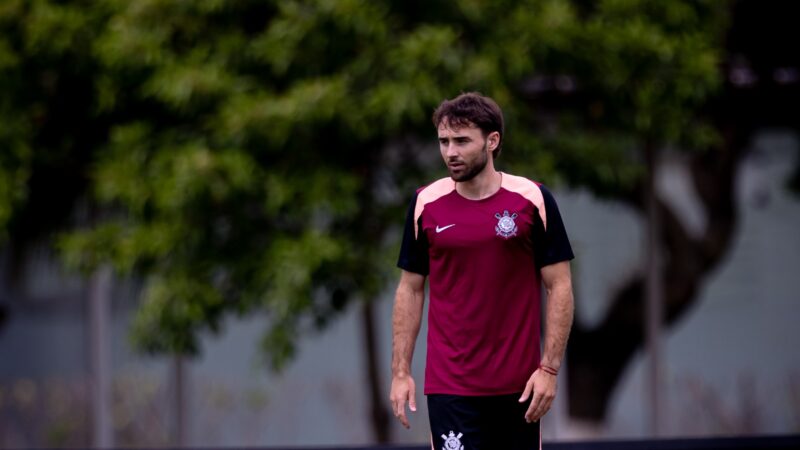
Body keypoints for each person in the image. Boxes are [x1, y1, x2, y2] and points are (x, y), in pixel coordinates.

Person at [389, 92, 575, 449]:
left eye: (461, 141)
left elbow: (560, 286)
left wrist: (549, 369)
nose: (450, 152)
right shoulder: (425, 203)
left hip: (520, 389)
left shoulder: (533, 200)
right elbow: (410, 289)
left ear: (492, 141)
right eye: (443, 141)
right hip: (450, 388)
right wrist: (400, 372)